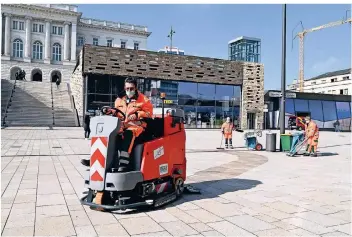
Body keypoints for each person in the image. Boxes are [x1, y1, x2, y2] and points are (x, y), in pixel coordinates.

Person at [81, 77, 153, 171]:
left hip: (137, 126)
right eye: (127, 89)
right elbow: (117, 112)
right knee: (109, 134)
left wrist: (137, 114)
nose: (129, 91)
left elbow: (149, 113)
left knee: (128, 134)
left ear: (136, 88)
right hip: (122, 124)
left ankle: (123, 163)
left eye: (131, 88)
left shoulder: (144, 100)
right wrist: (110, 111)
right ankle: (96, 160)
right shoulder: (120, 99)